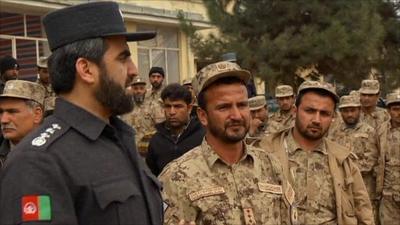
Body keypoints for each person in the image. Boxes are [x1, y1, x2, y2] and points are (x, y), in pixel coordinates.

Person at [0, 2, 163, 224]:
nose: (134, 70)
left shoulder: (118, 137)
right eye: (123, 57)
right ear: (86, 69)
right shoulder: (38, 163)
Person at [159, 61, 293, 225]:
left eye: (242, 105)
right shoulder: (177, 177)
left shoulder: (270, 165)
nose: (236, 115)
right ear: (203, 116)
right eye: (224, 107)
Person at [258, 80, 374, 225]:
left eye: (324, 114)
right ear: (295, 111)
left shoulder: (343, 161)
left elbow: (364, 213)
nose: (317, 120)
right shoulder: (265, 154)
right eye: (310, 111)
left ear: (333, 118)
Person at [328, 94, 379, 222]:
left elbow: (370, 162)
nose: (349, 114)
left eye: (352, 110)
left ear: (359, 110)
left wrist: (345, 170)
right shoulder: (333, 132)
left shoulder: (369, 131)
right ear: (340, 112)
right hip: (340, 189)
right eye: (345, 111)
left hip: (364, 190)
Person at [146, 83, 205, 176]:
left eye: (178, 106)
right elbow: (151, 176)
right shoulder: (156, 140)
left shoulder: (204, 137)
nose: (172, 112)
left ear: (189, 108)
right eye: (168, 106)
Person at [0, 80, 45, 168]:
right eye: (1, 112)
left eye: (12, 112)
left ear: (37, 114)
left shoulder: (55, 154)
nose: (3, 120)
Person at [376, 91, 400, 225]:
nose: (399, 113)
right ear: (389, 111)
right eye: (396, 109)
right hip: (388, 196)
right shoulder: (381, 131)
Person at [121, 77, 155, 156]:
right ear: (131, 90)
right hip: (129, 151)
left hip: (148, 152)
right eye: (135, 88)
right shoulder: (124, 108)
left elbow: (160, 129)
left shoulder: (153, 106)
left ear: (145, 90)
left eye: (141, 88)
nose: (138, 91)